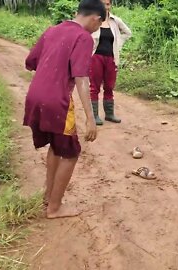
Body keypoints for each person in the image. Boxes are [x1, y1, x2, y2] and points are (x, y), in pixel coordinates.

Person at [24, 0, 105, 219]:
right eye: (98, 25)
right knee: (70, 153)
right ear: (95, 18)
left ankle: (48, 196)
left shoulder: (52, 30)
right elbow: (81, 78)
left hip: (34, 97)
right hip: (56, 101)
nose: (96, 29)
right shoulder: (83, 37)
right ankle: (55, 208)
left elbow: (30, 61)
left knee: (56, 146)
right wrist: (91, 118)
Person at [89, 0, 132, 125]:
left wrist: (118, 43)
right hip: (96, 57)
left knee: (109, 86)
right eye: (102, 4)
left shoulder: (115, 20)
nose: (105, 7)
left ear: (110, 5)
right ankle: (94, 115)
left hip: (111, 57)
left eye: (107, 4)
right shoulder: (93, 20)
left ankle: (109, 114)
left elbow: (128, 33)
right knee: (94, 87)